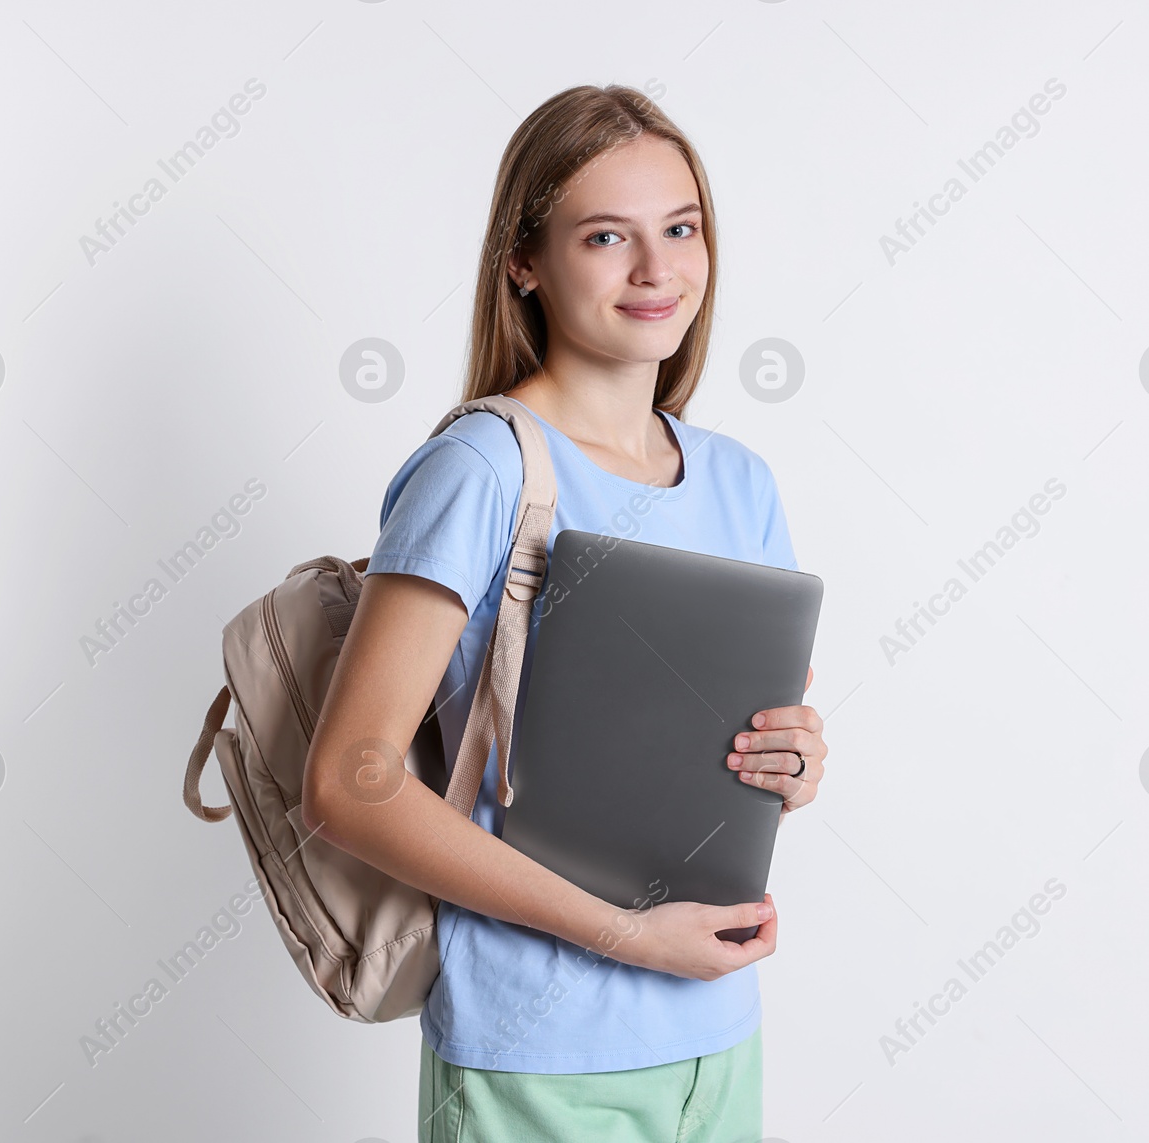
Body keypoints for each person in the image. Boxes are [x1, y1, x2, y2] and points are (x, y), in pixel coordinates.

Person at [301, 83, 829, 1143]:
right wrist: (624, 938)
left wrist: (796, 763)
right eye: (605, 236)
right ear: (525, 263)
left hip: (715, 1031)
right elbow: (345, 784)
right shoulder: (481, 469)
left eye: (681, 228)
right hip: (535, 1053)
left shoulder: (739, 480)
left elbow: (727, 751)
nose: (657, 269)